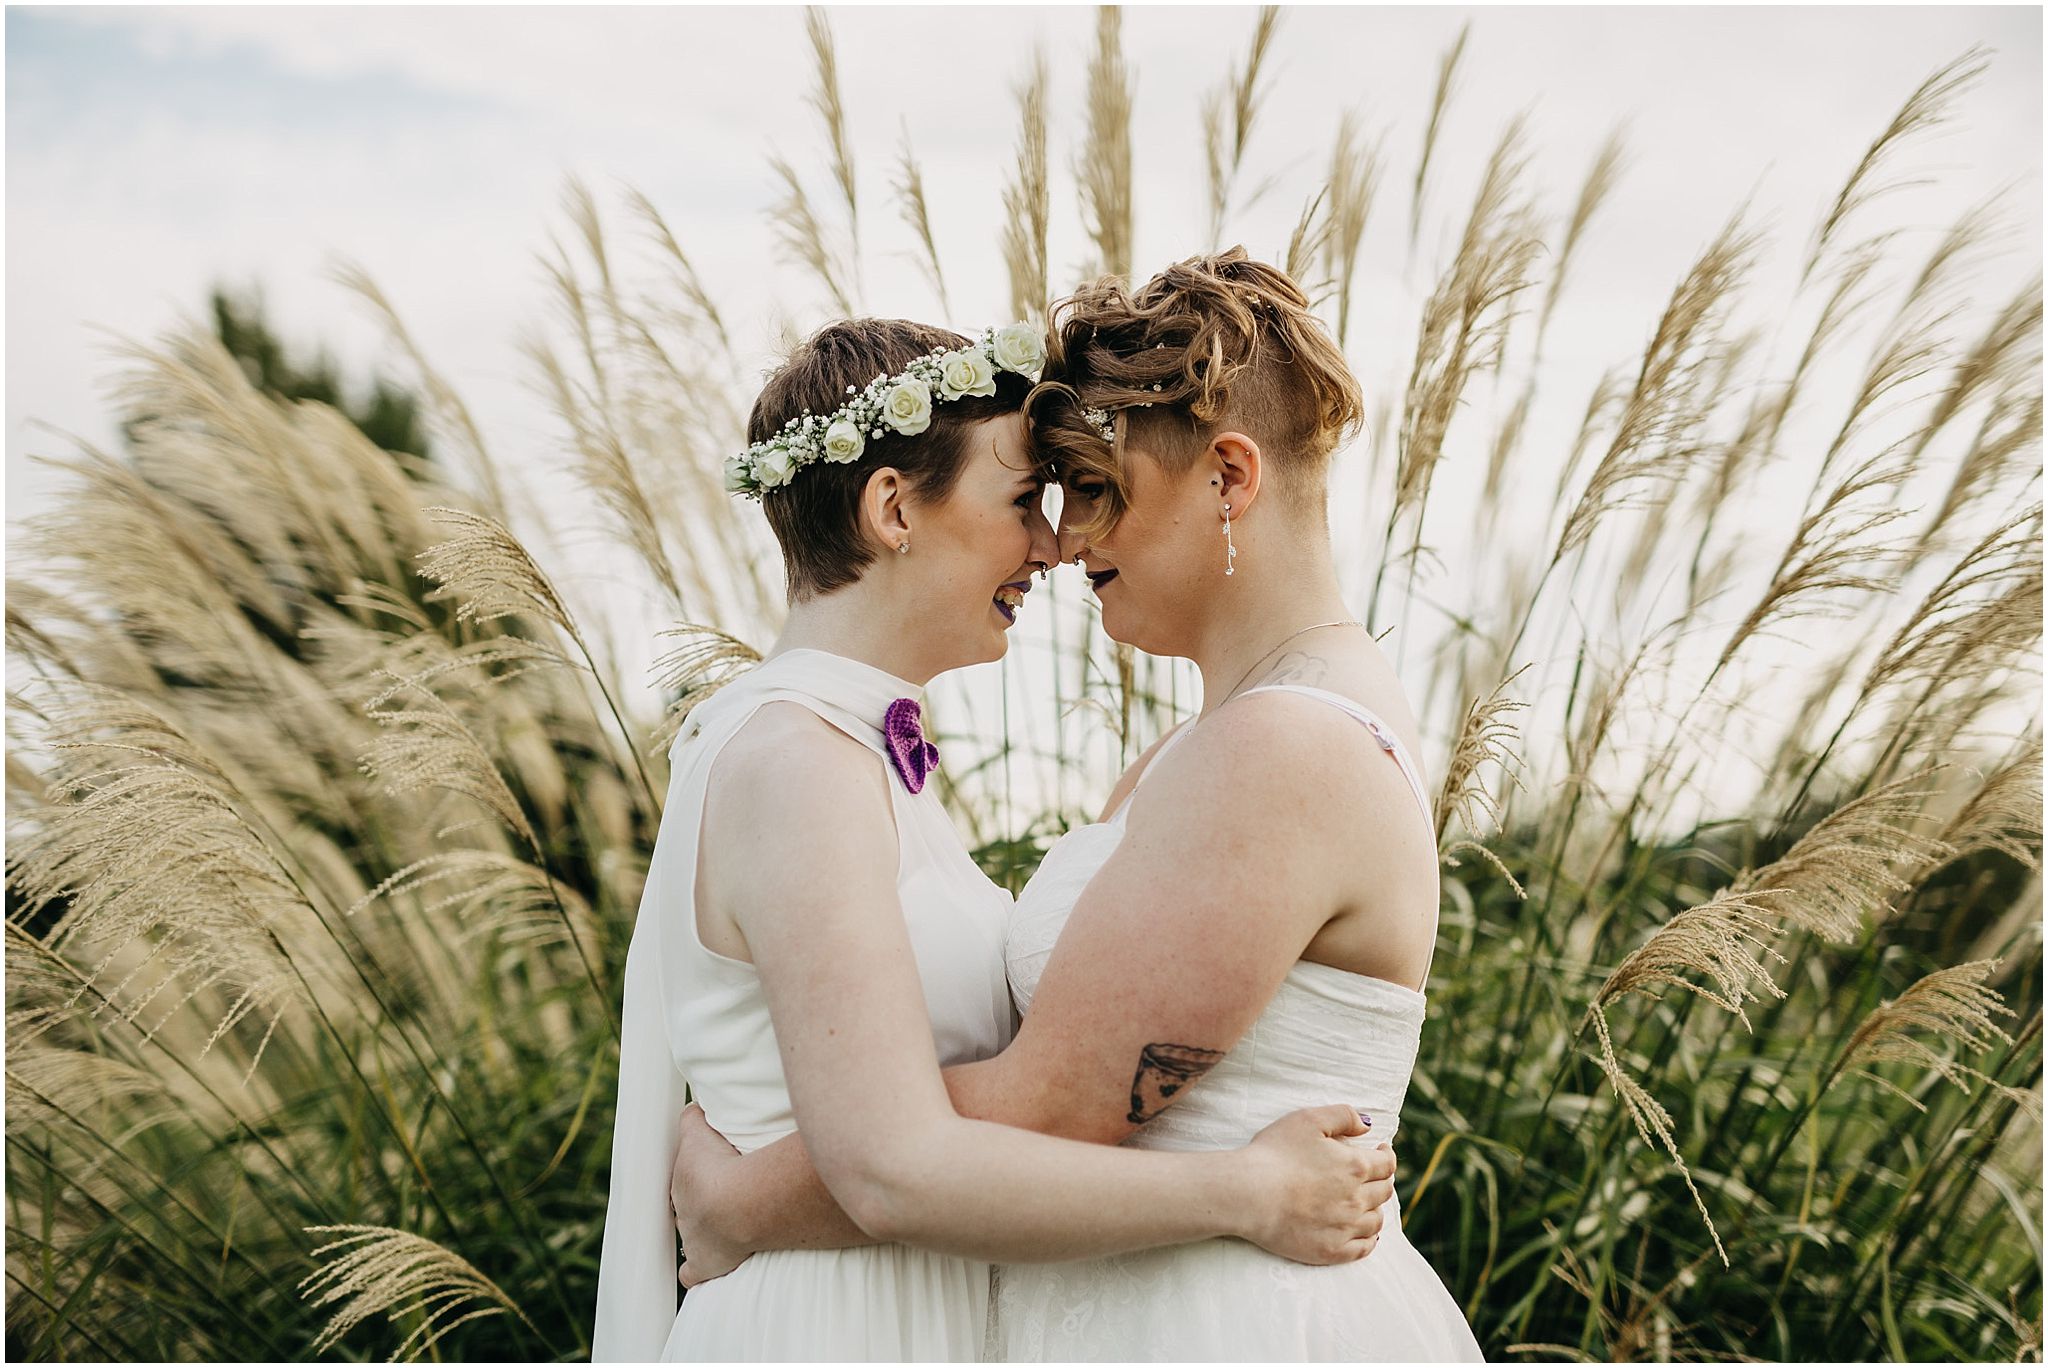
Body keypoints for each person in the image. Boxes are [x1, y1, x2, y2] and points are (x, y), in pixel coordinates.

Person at [667, 252, 1485, 1360]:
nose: (1066, 540)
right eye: (1048, 495)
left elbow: (1047, 1104)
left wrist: (741, 1202)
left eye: (1095, 487)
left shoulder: (1281, 752)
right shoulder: (1201, 751)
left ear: (1228, 479)